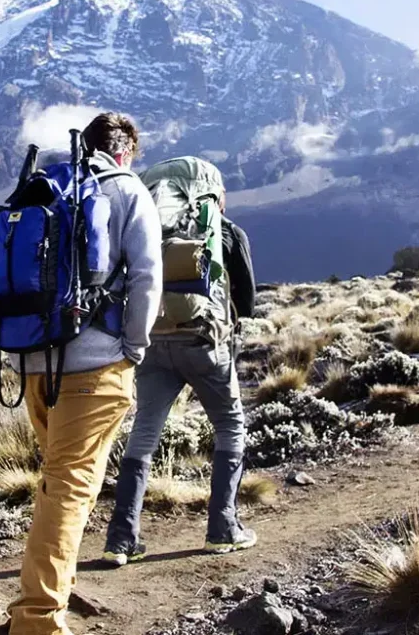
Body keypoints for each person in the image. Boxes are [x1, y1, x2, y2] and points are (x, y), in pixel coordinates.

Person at [6, 112, 163, 635]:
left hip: (33, 363)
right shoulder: (127, 189)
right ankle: (37, 620)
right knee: (69, 489)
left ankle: (49, 596)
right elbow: (146, 278)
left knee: (57, 485)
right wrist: (134, 349)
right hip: (95, 369)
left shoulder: (48, 184)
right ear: (126, 152)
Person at [103, 163, 257, 567]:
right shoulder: (224, 230)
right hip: (205, 343)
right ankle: (223, 529)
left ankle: (121, 539)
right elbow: (249, 300)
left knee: (144, 433)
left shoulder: (148, 226)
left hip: (154, 341)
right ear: (212, 194)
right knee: (229, 424)